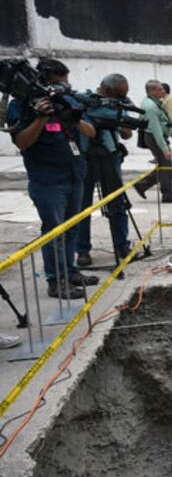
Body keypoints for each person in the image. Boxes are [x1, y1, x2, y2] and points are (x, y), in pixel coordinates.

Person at [6, 58, 99, 301]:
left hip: (75, 174)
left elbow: (90, 132)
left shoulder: (66, 102)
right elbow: (22, 142)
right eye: (59, 83)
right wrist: (41, 118)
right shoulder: (21, 106)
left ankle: (70, 272)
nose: (64, 88)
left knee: (72, 227)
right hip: (48, 179)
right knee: (54, 232)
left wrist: (72, 116)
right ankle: (56, 281)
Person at [76, 74, 134, 268]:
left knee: (117, 203)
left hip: (110, 156)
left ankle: (122, 246)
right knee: (82, 206)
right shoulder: (83, 100)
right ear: (107, 90)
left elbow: (127, 133)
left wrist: (117, 122)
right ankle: (82, 250)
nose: (122, 97)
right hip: (85, 157)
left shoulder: (117, 104)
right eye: (119, 94)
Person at [133, 80, 172, 203]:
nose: (163, 91)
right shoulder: (150, 107)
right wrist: (164, 148)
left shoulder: (153, 102)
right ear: (152, 91)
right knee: (166, 167)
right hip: (155, 137)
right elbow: (156, 130)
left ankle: (142, 185)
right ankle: (167, 194)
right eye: (160, 89)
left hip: (155, 136)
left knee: (164, 166)